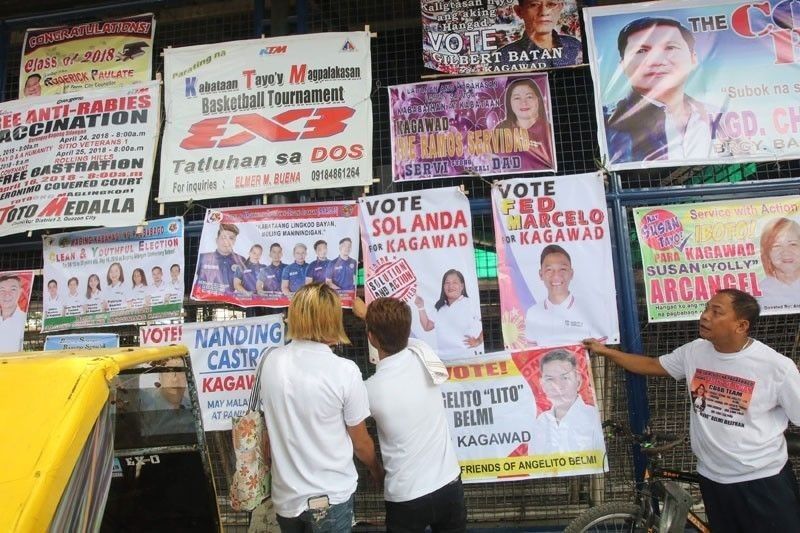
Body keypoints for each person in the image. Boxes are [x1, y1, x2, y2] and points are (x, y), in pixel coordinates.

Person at [583, 289, 800, 532]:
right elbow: (653, 365)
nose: (705, 316)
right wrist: (606, 351)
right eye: (706, 308)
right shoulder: (695, 351)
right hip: (713, 478)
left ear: (741, 325)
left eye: (716, 312)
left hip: (763, 481)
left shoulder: (777, 367)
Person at [260, 283, 383, 530]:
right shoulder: (344, 371)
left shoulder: (271, 361)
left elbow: (267, 433)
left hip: (286, 498)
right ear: (332, 319)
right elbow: (361, 443)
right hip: (331, 497)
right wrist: (377, 471)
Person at [362, 297, 466, 532]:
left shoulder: (369, 390)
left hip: (405, 496)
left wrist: (376, 471)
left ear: (371, 337)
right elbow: (399, 336)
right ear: (408, 330)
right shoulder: (423, 352)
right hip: (448, 484)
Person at [604, 17, 729, 165]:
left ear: (693, 58)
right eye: (641, 50)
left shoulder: (719, 116)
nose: (656, 60)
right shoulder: (605, 124)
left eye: (670, 48)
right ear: (622, 65)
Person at [530, 349, 604, 454]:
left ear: (578, 380)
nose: (558, 387)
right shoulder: (540, 423)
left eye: (564, 378)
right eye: (550, 379)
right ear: (542, 384)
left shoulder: (593, 417)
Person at [524, 245, 592, 347]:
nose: (556, 276)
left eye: (563, 269)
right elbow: (532, 353)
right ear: (541, 274)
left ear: (571, 273)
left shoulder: (588, 309)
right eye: (549, 270)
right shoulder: (533, 313)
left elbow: (598, 349)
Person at [414, 269, 484, 360]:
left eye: (455, 282)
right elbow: (427, 326)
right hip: (444, 359)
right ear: (443, 286)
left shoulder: (470, 303)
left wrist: (478, 341)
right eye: (447, 283)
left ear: (462, 286)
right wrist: (420, 306)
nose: (450, 286)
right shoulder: (440, 307)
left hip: (467, 358)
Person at [498, 0, 582, 69]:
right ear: (519, 11)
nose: (544, 12)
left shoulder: (574, 44)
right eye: (534, 5)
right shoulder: (501, 58)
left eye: (551, 4)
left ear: (560, 7)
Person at [495, 78, 554, 169]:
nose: (523, 102)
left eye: (529, 96)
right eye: (517, 98)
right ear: (509, 102)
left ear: (538, 100)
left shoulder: (549, 131)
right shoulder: (501, 129)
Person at [757, 217, 800, 308]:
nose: (786, 252)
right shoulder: (759, 292)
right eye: (776, 246)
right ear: (767, 253)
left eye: (793, 244)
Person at [195, 223, 246, 293]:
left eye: (231, 238)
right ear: (217, 240)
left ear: (234, 242)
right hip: (207, 301)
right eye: (223, 237)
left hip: (232, 302)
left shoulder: (241, 260)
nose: (226, 241)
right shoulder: (203, 258)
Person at [0, 275, 26, 352]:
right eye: (2, 290)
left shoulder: (23, 318)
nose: (7, 294)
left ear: (20, 291)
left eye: (13, 289)